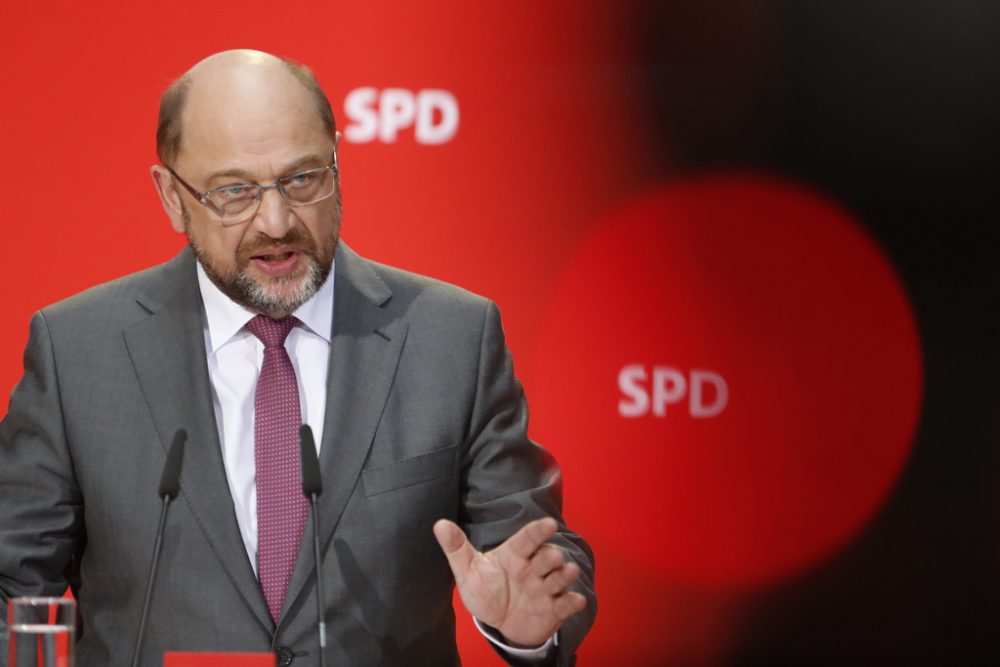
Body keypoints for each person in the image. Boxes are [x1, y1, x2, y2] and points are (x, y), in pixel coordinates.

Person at [0, 50, 595, 666]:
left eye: (303, 178)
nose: (277, 221)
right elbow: (10, 584)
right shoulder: (78, 352)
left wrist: (528, 627)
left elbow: (543, 558)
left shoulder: (451, 338)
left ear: (338, 161)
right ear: (172, 197)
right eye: (234, 192)